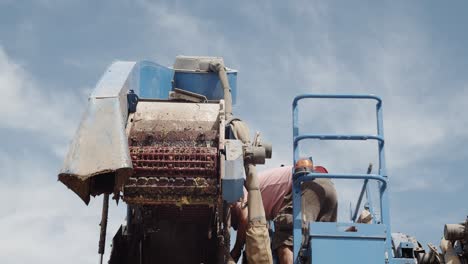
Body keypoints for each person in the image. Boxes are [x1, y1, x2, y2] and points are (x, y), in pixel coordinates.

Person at [230, 165, 337, 264]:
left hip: (306, 184)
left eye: (233, 224)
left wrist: (236, 251)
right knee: (323, 244)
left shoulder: (238, 191)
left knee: (285, 239)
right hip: (327, 186)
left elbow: (244, 219)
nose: (234, 227)